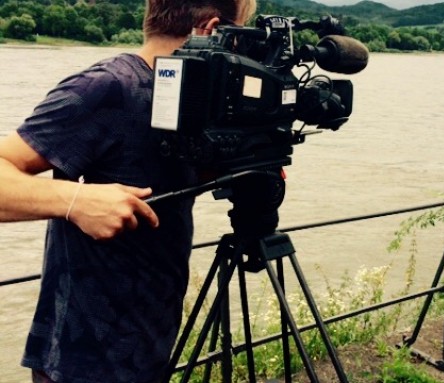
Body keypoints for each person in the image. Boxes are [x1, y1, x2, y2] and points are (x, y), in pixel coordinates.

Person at [0, 0, 256, 382]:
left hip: (150, 345)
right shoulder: (106, 86)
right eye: (241, 37)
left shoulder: (191, 103)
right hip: (83, 363)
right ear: (211, 29)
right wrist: (76, 201)